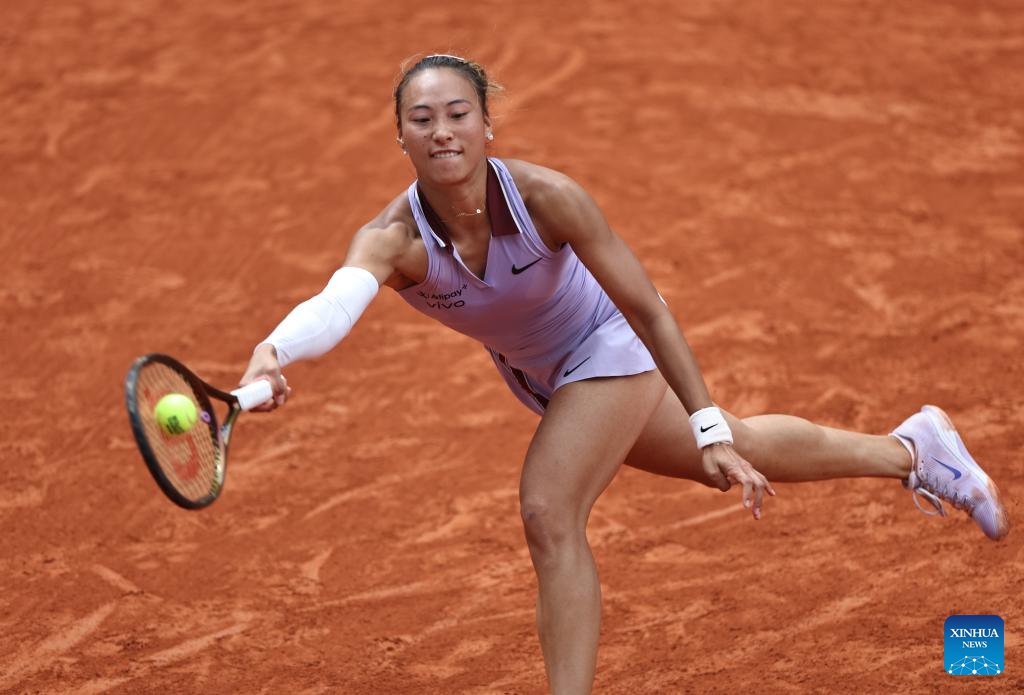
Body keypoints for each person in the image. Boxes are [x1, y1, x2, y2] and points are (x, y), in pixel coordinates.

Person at [239, 54, 1009, 694]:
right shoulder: (394, 239)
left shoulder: (548, 198)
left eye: (458, 113)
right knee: (740, 449)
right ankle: (913, 450)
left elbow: (647, 308)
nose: (442, 131)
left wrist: (701, 419)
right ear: (398, 136)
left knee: (548, 506)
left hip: (613, 344)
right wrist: (274, 349)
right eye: (422, 118)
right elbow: (335, 302)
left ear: (486, 123)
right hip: (548, 376)